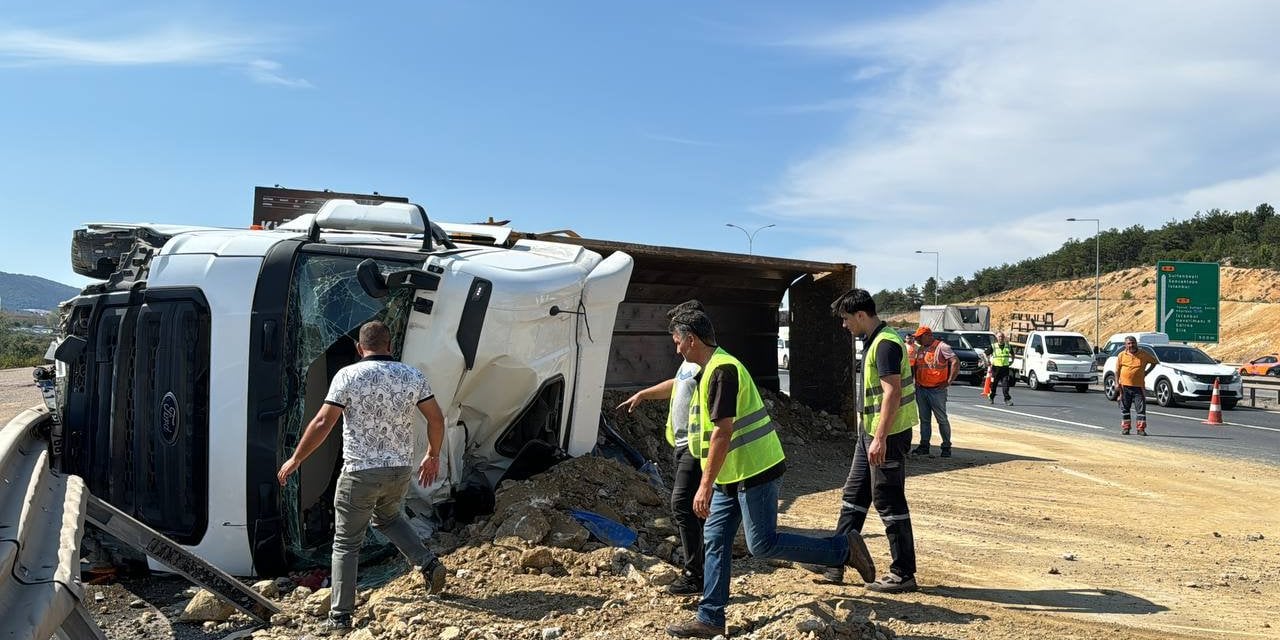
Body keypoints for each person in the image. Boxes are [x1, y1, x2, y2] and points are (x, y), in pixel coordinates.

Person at [665, 309, 874, 639]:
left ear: (691, 339)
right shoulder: (708, 370)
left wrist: (703, 485)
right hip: (730, 475)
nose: (676, 349)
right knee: (715, 540)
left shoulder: (722, 371)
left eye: (678, 342)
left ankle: (843, 550)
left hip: (756, 469)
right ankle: (710, 617)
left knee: (761, 545)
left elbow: (722, 432)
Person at [276, 321, 448, 632]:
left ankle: (340, 615)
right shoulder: (412, 375)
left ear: (359, 348)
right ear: (390, 345)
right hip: (399, 470)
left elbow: (322, 423)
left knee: (345, 543)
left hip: (360, 472)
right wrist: (432, 455)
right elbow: (436, 418)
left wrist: (296, 458)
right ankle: (428, 563)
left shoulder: (348, 375)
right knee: (388, 518)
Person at [809, 288, 919, 593]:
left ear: (860, 315)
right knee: (854, 496)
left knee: (888, 498)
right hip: (869, 433)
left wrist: (880, 438)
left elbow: (892, 393)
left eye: (846, 319)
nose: (844, 325)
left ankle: (903, 572)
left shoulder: (885, 345)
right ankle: (837, 561)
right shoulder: (874, 341)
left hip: (888, 435)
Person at [616, 299, 707, 595]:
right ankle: (702, 566)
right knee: (689, 507)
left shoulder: (705, 362)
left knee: (682, 504)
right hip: (683, 444)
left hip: (696, 446)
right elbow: (678, 384)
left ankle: (696, 574)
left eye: (677, 336)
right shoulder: (689, 362)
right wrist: (644, 394)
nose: (674, 343)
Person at [910, 326, 957, 457]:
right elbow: (916, 367)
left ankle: (946, 447)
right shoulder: (921, 349)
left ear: (927, 336)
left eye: (919, 338)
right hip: (922, 389)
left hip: (937, 390)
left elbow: (955, 362)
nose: (917, 340)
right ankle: (924, 445)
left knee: (941, 419)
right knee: (924, 419)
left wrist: (948, 381)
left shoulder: (942, 347)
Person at [1115, 336, 1158, 435]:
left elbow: (1154, 362)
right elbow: (1117, 371)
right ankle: (1126, 428)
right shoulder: (1121, 355)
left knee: (1141, 409)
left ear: (1136, 343)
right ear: (1125, 345)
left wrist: (1146, 372)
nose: (1131, 345)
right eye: (1129, 343)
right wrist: (1117, 383)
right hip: (1124, 386)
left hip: (1138, 387)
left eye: (1133, 343)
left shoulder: (1143, 354)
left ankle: (1141, 429)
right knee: (1125, 408)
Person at [985, 331, 1015, 406]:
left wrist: (1012, 361)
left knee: (1006, 385)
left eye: (1002, 337)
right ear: (997, 338)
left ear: (1004, 338)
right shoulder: (993, 346)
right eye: (999, 337)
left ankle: (1007, 399)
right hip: (996, 368)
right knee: (994, 384)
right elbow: (985, 353)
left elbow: (1012, 354)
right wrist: (987, 361)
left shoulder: (1008, 346)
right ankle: (991, 397)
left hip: (1005, 368)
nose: (1000, 338)